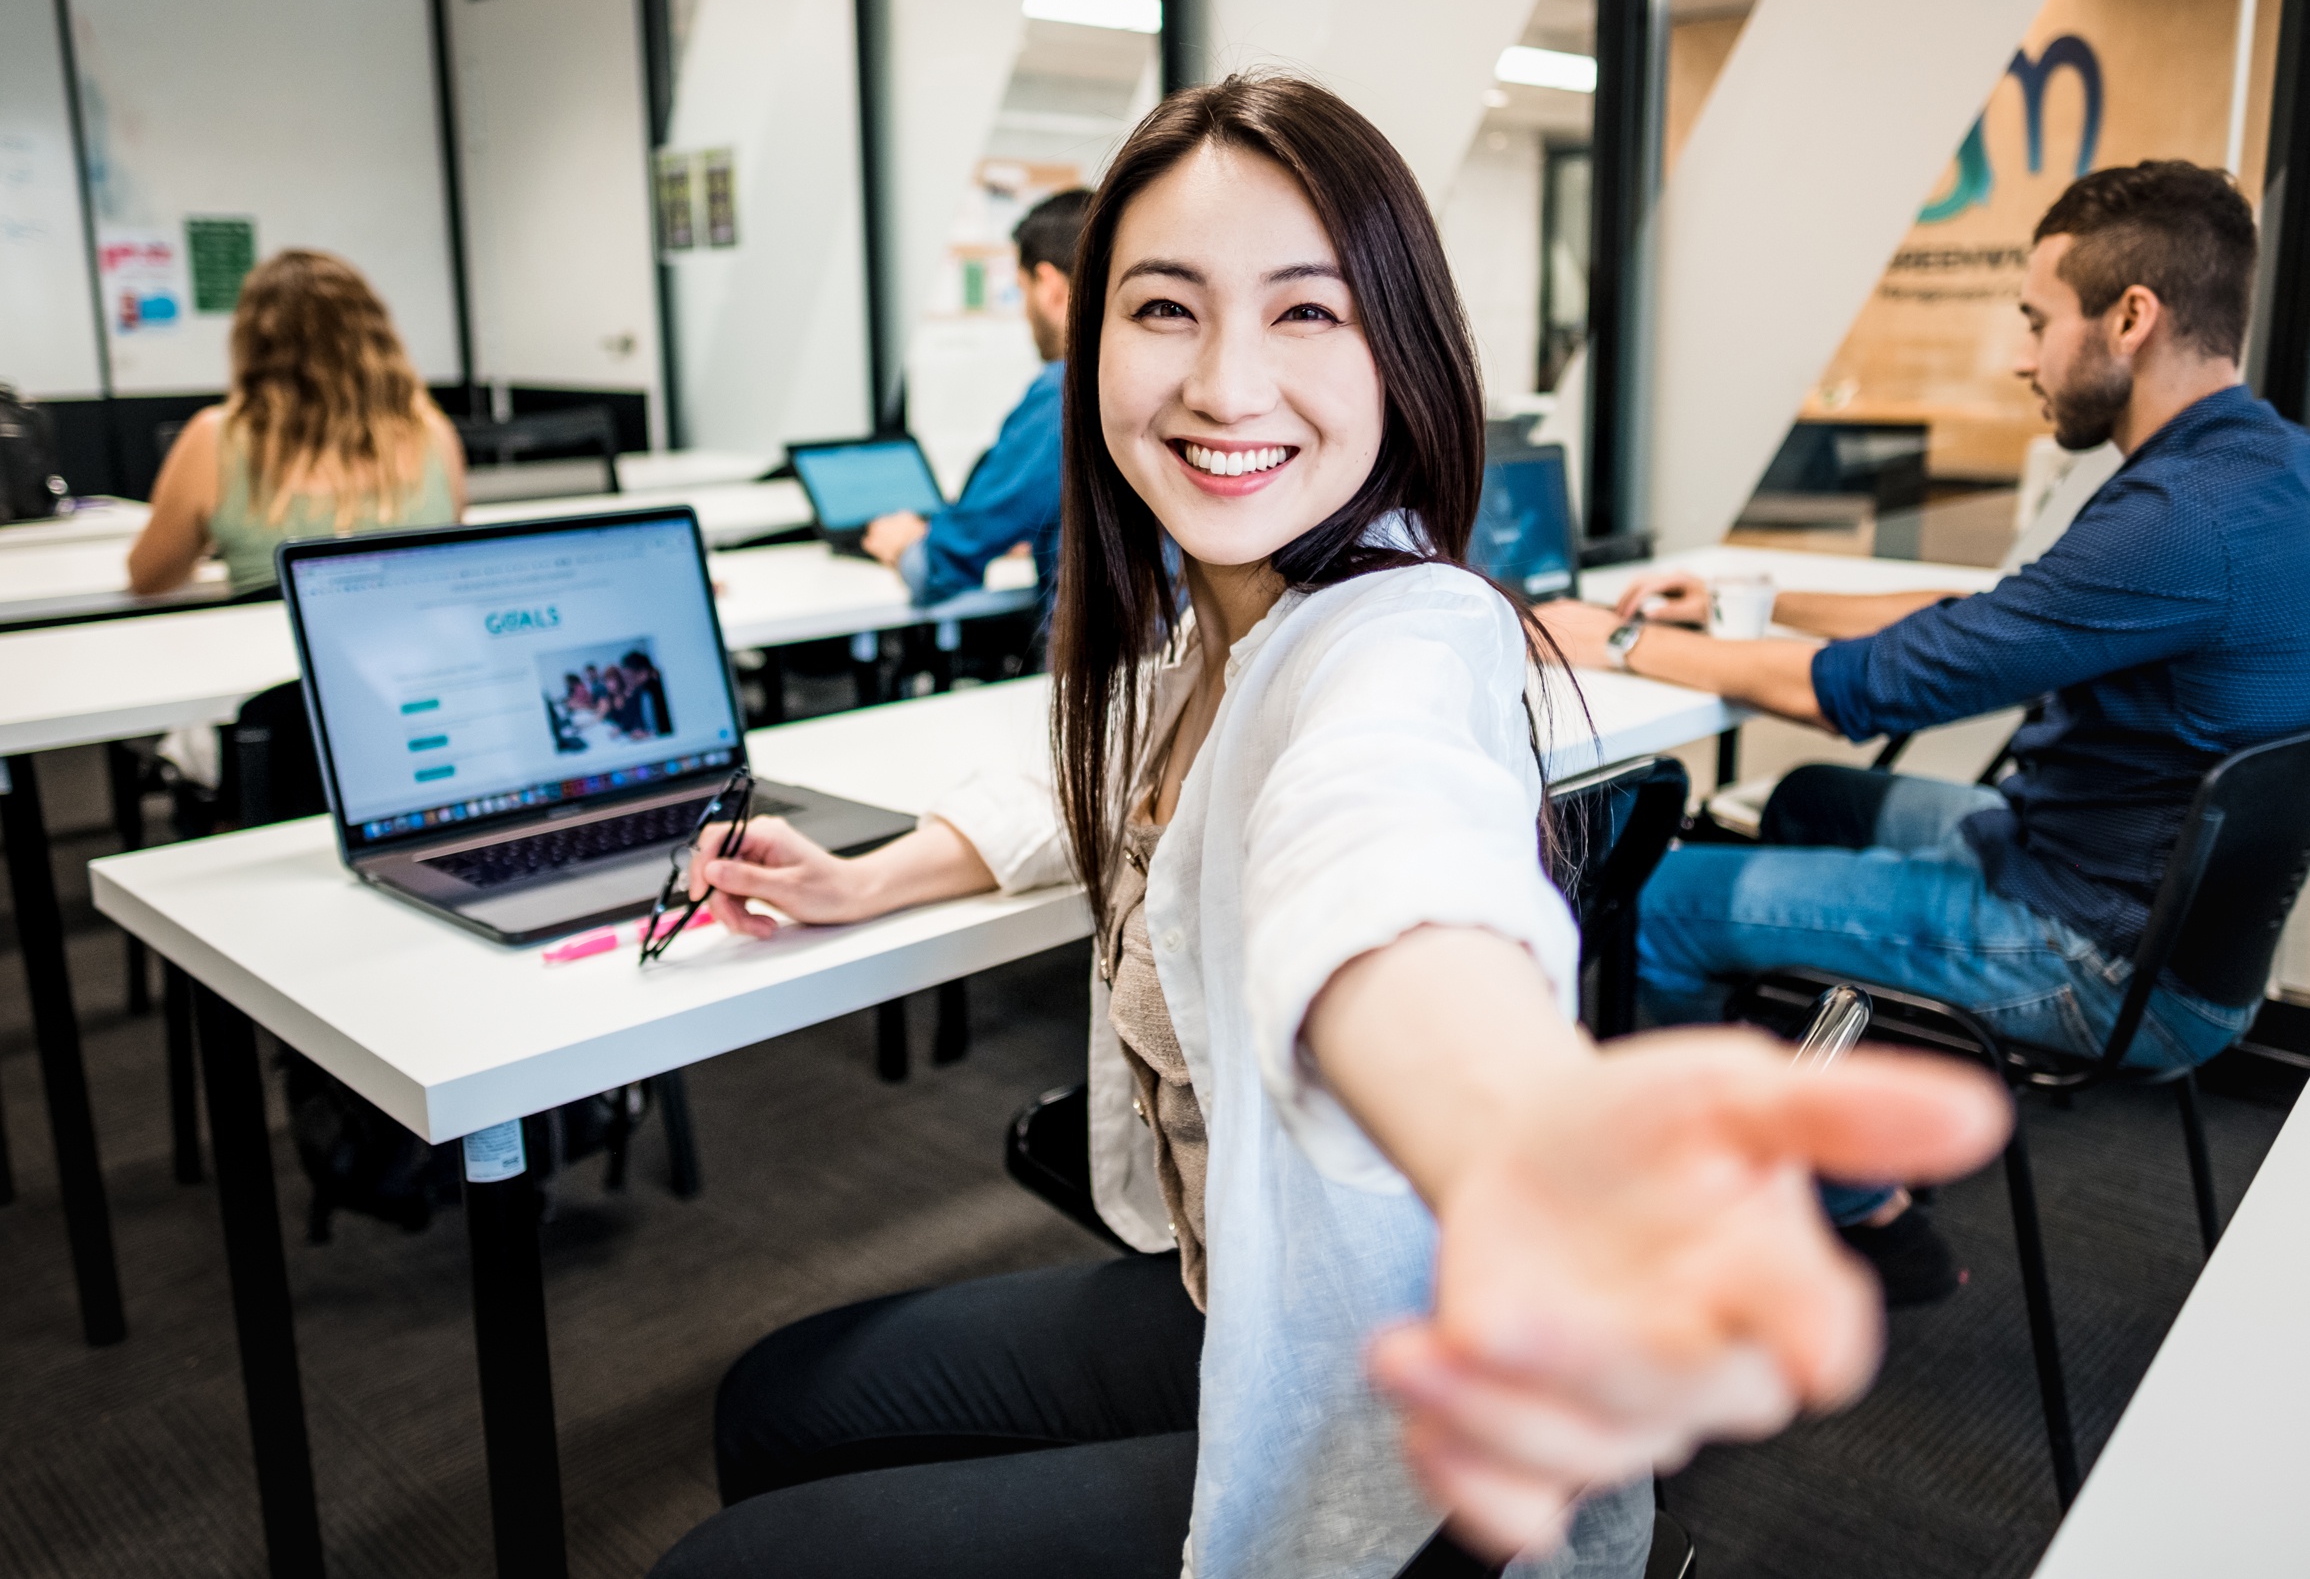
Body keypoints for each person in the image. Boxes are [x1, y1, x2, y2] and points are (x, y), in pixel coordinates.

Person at [646, 77, 2004, 1579]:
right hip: (1244, 1300)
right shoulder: (1216, 618)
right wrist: (871, 875)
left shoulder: (1397, 641)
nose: (1227, 385)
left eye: (1307, 313)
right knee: (778, 1400)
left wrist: (1509, 1135)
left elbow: (1381, 853)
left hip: (1414, 1441)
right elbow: (1102, 766)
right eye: (1165, 308)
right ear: (1085, 344)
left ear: (1401, 353)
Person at [1539, 159, 2310, 1304]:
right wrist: (1761, 596)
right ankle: (1855, 1118)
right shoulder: (2261, 471)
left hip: (2088, 951)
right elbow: (2008, 617)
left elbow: (1867, 691)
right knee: (1810, 802)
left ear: (2132, 319)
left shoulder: (2174, 520)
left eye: (2038, 322)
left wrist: (1609, 637)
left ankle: (1792, 1204)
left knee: (1656, 903)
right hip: (2137, 900)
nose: (2021, 356)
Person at [128, 249, 465, 596]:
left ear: (253, 342)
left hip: (269, 647)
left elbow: (150, 578)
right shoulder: (434, 434)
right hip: (410, 646)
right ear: (376, 339)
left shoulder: (215, 438)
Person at [859, 188, 1090, 609]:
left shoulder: (1066, 392)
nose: (1024, 313)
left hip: (1099, 671)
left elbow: (943, 567)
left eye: (1021, 291)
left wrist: (904, 544)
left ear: (1050, 288)